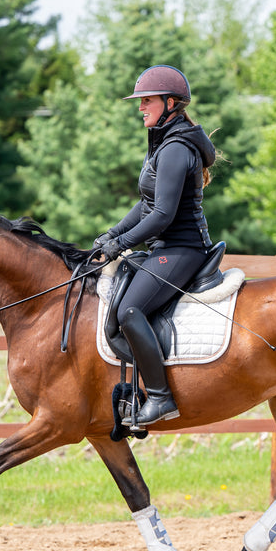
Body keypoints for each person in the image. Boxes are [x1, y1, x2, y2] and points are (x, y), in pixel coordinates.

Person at [94, 65, 217, 427]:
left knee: (130, 310)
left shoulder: (176, 148)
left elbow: (162, 215)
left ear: (170, 103)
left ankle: (161, 398)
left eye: (146, 100)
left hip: (183, 249)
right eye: (140, 101)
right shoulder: (164, 143)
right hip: (168, 246)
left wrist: (122, 244)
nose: (140, 107)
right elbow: (147, 204)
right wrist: (112, 233)